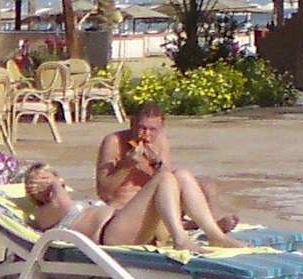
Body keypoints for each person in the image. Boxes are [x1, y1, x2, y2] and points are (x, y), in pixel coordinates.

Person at [94, 101, 247, 249]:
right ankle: (185, 233)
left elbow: (169, 186)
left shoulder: (160, 142)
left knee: (183, 175)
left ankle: (215, 235)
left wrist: (156, 163)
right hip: (124, 217)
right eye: (142, 128)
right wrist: (125, 166)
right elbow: (105, 192)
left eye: (152, 129)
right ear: (132, 123)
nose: (146, 134)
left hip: (156, 219)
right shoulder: (114, 141)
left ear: (161, 127)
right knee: (166, 177)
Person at [23, 163, 111, 240]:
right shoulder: (41, 212)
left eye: (45, 178)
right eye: (37, 183)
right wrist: (54, 182)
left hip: (112, 218)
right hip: (104, 230)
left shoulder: (77, 200)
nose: (45, 184)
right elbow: (62, 204)